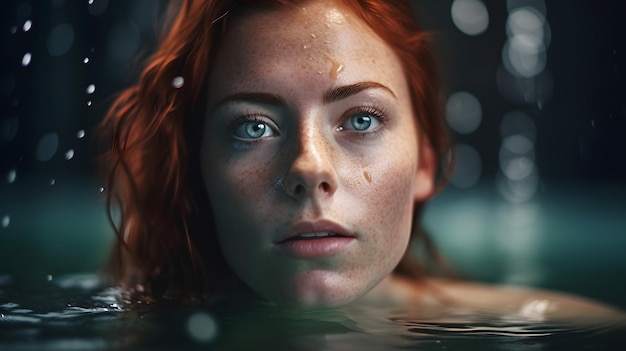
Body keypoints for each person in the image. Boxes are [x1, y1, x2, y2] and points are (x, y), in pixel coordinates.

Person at [99, 0, 622, 321]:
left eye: (362, 119)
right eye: (253, 128)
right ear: (195, 170)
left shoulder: (573, 332)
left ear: (425, 163)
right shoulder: (133, 329)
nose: (310, 167)